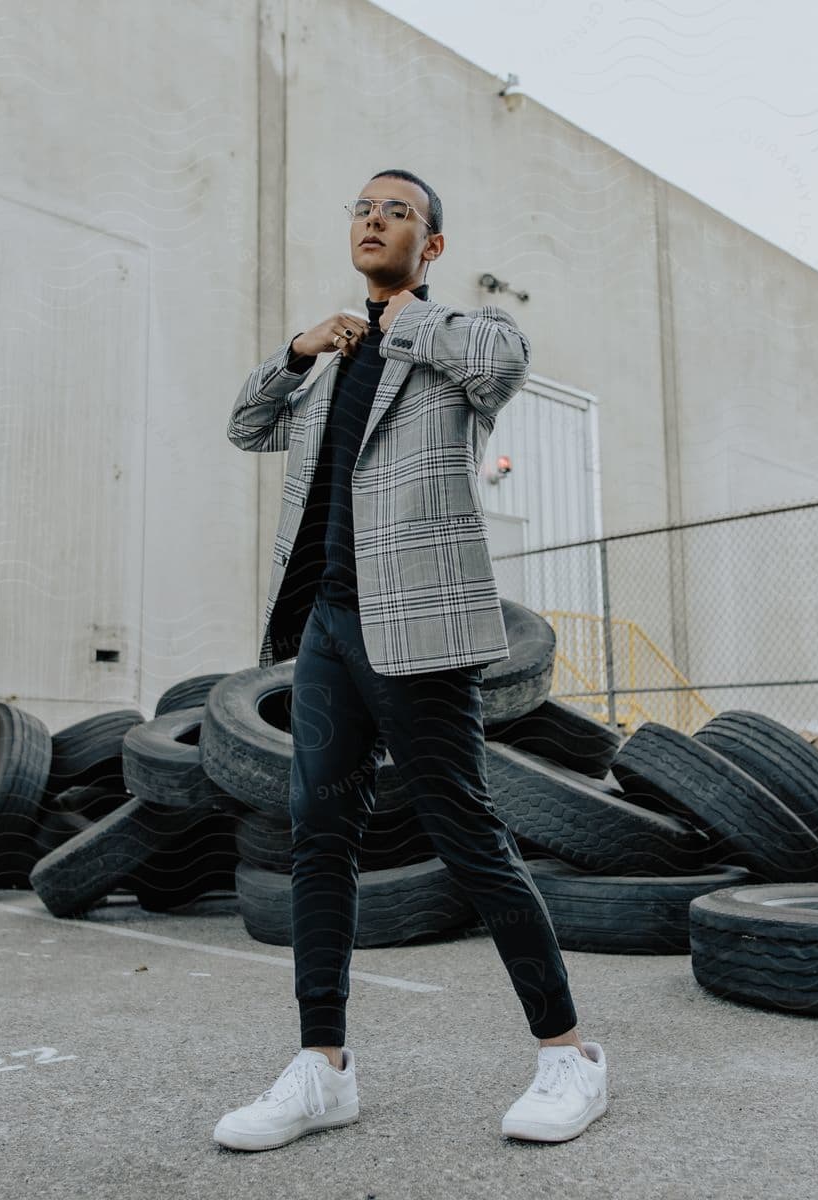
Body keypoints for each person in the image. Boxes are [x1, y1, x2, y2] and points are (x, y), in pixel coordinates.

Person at [218, 170, 607, 1150]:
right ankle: (322, 1070)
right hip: (326, 629)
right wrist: (299, 349)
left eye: (398, 212)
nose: (374, 219)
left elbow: (506, 358)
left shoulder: (446, 344)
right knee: (319, 837)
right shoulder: (329, 362)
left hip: (419, 627)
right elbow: (244, 425)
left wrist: (401, 323)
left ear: (429, 247)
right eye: (361, 207)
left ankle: (570, 1055)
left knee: (464, 829)